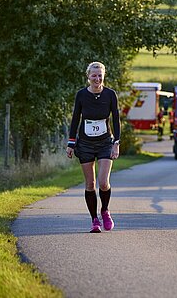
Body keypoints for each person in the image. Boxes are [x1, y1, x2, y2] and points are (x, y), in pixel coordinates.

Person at [66, 61, 121, 233]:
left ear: (103, 76)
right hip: (85, 143)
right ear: (88, 76)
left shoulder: (110, 95)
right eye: (94, 75)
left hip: (105, 142)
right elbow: (75, 119)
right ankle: (94, 220)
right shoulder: (81, 95)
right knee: (90, 183)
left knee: (103, 183)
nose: (97, 79)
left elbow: (116, 120)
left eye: (100, 76)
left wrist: (116, 143)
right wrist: (71, 143)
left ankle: (105, 211)